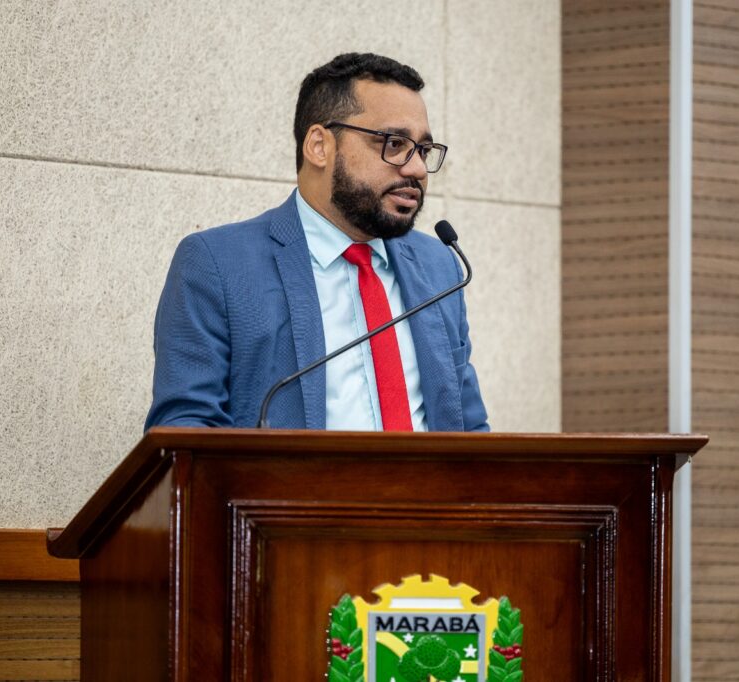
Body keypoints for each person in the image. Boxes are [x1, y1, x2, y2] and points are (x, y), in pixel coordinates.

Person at [145, 53, 489, 432]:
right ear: (319, 146)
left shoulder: (440, 268)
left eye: (423, 150)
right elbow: (186, 432)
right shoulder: (218, 265)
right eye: (394, 144)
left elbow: (470, 427)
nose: (418, 169)